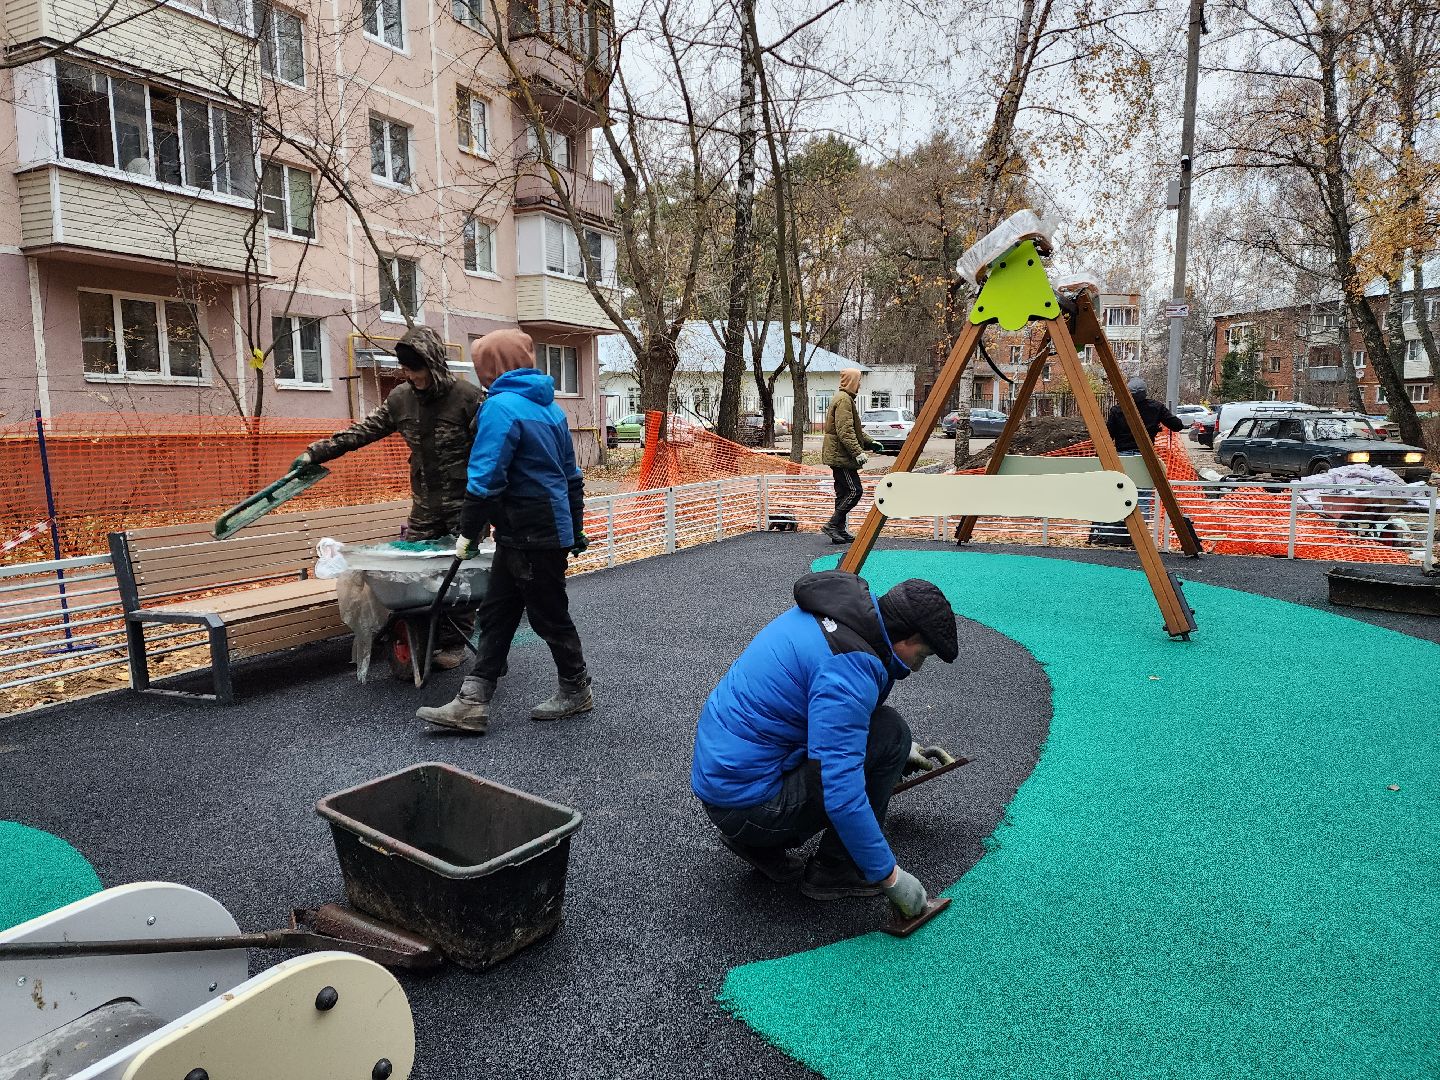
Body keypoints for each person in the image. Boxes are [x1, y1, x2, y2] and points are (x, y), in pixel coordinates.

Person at [691, 571, 959, 917]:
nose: (917, 667)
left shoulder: (837, 616)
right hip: (746, 806)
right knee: (890, 734)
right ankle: (836, 869)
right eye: (922, 656)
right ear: (906, 638)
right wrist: (890, 877)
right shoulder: (847, 668)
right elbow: (839, 792)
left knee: (887, 736)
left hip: (726, 782)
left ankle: (758, 841)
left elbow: (823, 716)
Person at [416, 328, 592, 734]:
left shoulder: (501, 408)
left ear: (491, 367)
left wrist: (467, 533)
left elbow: (485, 478)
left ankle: (576, 688)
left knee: (548, 614)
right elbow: (571, 478)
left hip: (529, 530)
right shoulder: (551, 409)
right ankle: (472, 702)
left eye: (481, 365)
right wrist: (576, 527)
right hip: (534, 529)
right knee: (496, 614)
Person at [294, 325, 483, 667]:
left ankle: (454, 643)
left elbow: (491, 450)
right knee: (416, 575)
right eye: (407, 369)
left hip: (467, 503)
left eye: (417, 368)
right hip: (425, 504)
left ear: (434, 363)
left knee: (462, 572)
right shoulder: (401, 399)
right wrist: (316, 453)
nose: (412, 376)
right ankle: (421, 642)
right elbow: (363, 431)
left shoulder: (468, 398)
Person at [820, 368, 884, 545]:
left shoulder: (845, 399)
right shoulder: (844, 401)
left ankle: (838, 531)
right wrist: (858, 452)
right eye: (858, 381)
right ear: (851, 382)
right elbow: (845, 432)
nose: (860, 385)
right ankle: (833, 525)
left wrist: (870, 442)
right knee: (855, 491)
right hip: (841, 457)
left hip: (838, 455)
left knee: (843, 493)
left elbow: (854, 430)